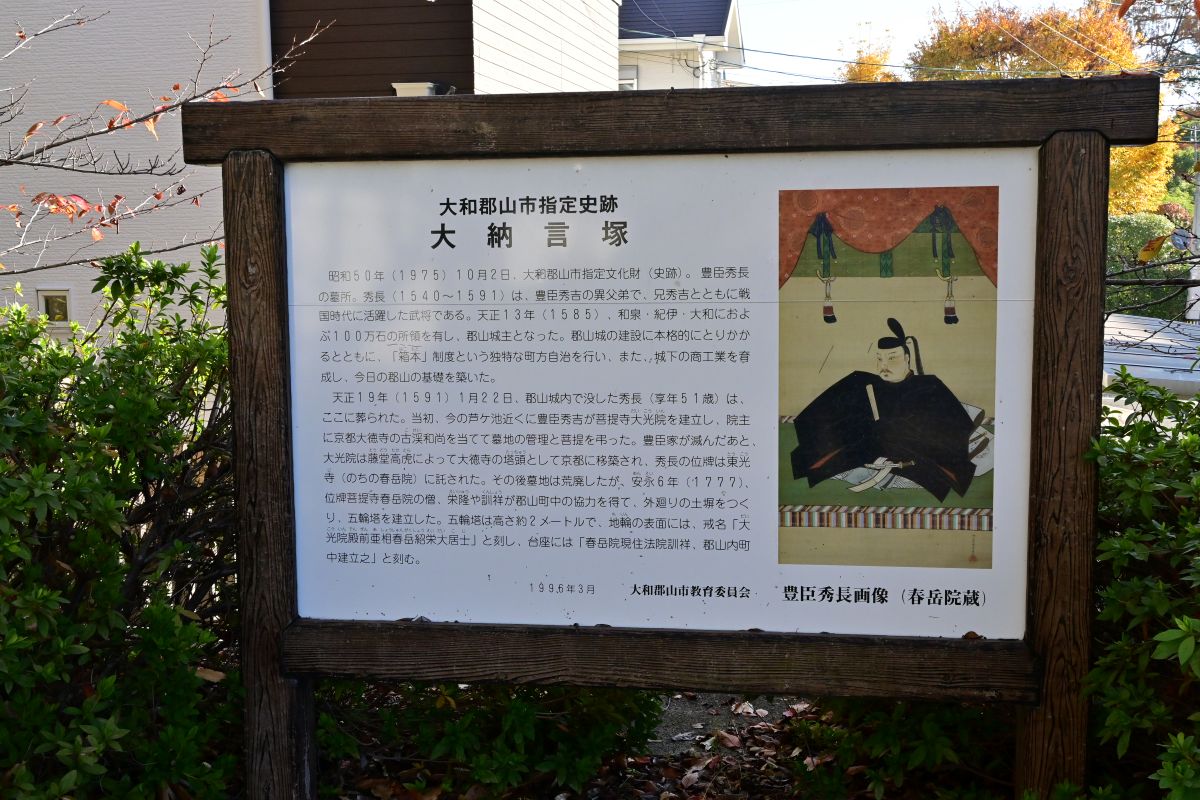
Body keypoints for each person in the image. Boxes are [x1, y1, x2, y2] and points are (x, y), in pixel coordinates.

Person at [789, 318, 976, 502]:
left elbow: (957, 426)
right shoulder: (862, 381)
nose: (883, 366)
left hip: (914, 456)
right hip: (866, 450)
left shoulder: (929, 386)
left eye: (892, 358)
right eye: (879, 359)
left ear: (907, 358)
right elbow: (819, 415)